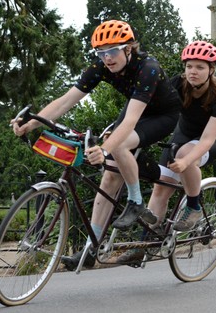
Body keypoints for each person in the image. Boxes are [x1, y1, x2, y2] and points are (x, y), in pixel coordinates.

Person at [12, 20, 181, 270]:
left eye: (113, 51)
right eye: (101, 53)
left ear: (129, 49)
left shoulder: (148, 68)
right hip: (136, 107)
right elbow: (65, 101)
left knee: (117, 146)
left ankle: (135, 202)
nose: (107, 58)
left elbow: (132, 120)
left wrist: (104, 149)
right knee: (109, 177)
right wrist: (31, 123)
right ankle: (92, 249)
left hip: (163, 115)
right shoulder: (100, 67)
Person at [115, 40, 216, 263]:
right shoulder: (178, 84)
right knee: (160, 189)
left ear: (211, 70)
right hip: (182, 136)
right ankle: (145, 243)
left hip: (215, 140)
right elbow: (152, 108)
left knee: (184, 156)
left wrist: (187, 160)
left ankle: (194, 206)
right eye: (189, 66)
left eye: (199, 67)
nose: (193, 71)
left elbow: (207, 140)